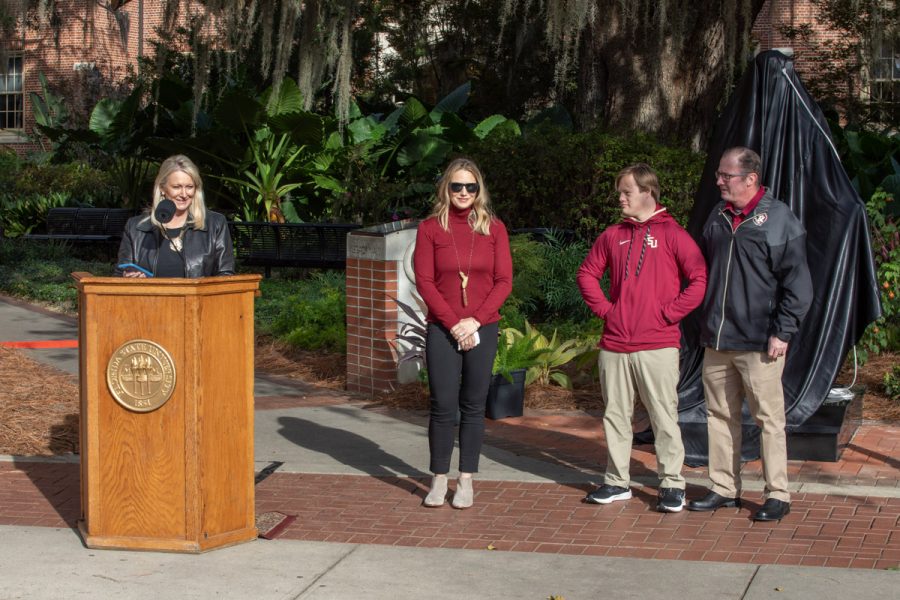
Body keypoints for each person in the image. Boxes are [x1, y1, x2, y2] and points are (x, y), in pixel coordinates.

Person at [687, 147, 812, 521]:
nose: (719, 181)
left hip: (761, 343)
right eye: (719, 175)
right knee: (719, 416)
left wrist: (782, 332)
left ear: (751, 179)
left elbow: (799, 287)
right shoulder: (718, 215)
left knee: (769, 420)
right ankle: (724, 489)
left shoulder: (778, 220)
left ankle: (778, 494)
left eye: (727, 176)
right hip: (718, 340)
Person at [577, 163, 707, 512]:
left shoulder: (673, 234)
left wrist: (668, 314)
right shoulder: (612, 235)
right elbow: (587, 273)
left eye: (626, 192)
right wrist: (607, 310)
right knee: (615, 416)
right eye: (620, 192)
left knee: (663, 416)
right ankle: (617, 482)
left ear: (647, 192)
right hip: (615, 344)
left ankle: (671, 485)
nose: (620, 198)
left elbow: (698, 280)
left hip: (658, 344)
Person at [413, 157, 512, 509]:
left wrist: (475, 321)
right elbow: (424, 281)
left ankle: (466, 479)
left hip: (482, 326)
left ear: (479, 189)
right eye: (457, 186)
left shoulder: (494, 228)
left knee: (473, 405)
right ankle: (439, 478)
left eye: (471, 186)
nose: (464, 192)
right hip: (443, 327)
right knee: (442, 404)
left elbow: (504, 282)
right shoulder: (429, 229)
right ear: (446, 188)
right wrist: (455, 322)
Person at [116, 154, 235, 278]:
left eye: (189, 187)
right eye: (176, 187)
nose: (184, 194)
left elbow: (226, 275)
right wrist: (129, 278)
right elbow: (119, 274)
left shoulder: (215, 224)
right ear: (162, 188)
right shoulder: (135, 227)